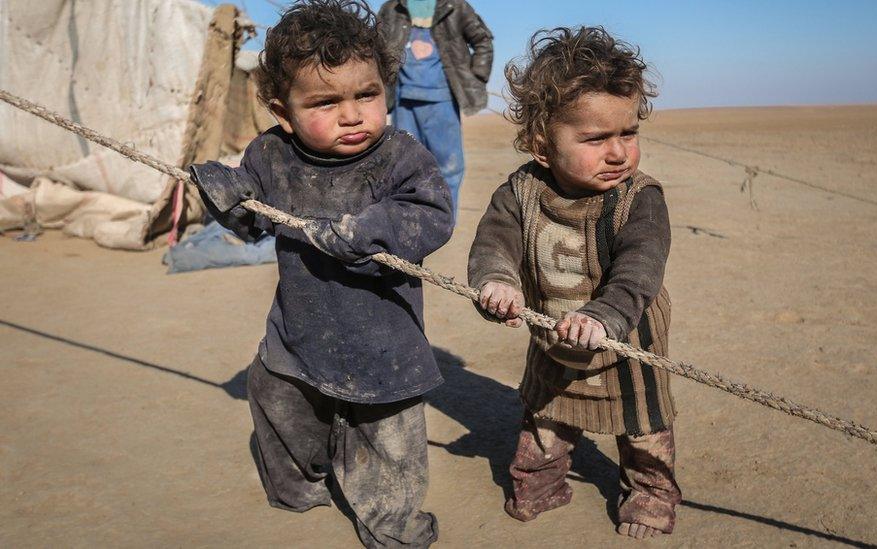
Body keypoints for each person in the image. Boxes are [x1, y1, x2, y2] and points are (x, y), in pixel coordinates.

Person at [188, 1, 452, 547]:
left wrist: (367, 229)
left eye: (366, 94)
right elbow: (252, 223)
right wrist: (225, 194)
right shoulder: (271, 154)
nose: (352, 114)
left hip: (385, 344)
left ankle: (393, 526)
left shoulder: (403, 158)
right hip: (298, 335)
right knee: (277, 404)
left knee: (390, 447)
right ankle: (299, 487)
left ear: (386, 88)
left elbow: (431, 216)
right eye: (325, 102)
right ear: (283, 112)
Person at [467, 27, 681, 540]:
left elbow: (639, 269)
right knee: (545, 421)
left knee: (644, 431)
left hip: (629, 344)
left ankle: (649, 495)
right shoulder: (519, 193)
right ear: (542, 145)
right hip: (552, 344)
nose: (618, 153)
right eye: (595, 138)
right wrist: (497, 284)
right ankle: (542, 484)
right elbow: (493, 247)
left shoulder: (640, 199)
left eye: (627, 133)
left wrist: (604, 317)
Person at [378, 0, 493, 222]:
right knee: (403, 164)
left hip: (443, 100)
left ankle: (444, 221)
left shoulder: (455, 6)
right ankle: (410, 219)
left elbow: (482, 40)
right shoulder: (392, 9)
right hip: (404, 102)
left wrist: (476, 76)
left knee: (449, 166)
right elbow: (375, 47)